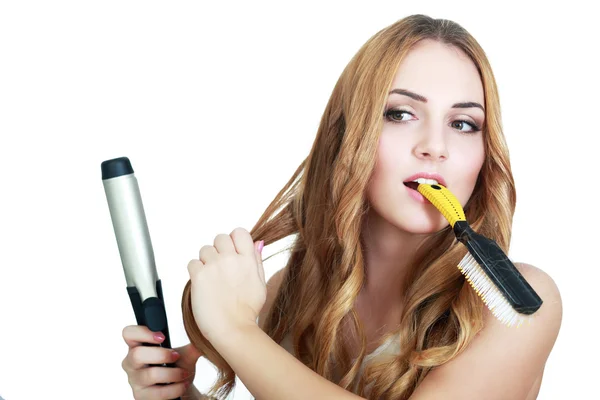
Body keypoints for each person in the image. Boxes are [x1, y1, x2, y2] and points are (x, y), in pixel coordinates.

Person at [122, 14, 562, 400]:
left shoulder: (518, 305)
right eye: (400, 114)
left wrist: (236, 333)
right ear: (345, 136)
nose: (435, 147)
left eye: (463, 123)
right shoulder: (286, 293)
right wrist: (179, 397)